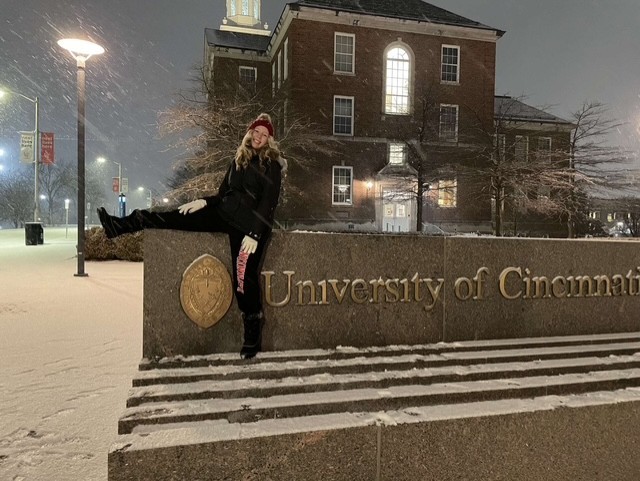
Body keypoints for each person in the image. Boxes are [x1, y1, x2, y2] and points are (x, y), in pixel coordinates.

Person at [97, 113, 287, 359]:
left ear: (269, 140)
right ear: (249, 134)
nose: (259, 137)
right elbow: (223, 193)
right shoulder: (239, 159)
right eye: (256, 132)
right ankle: (121, 225)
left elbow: (268, 203)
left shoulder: (270, 164)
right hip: (223, 213)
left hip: (248, 229)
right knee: (175, 215)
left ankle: (252, 333)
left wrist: (254, 233)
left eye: (265, 135)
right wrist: (203, 202)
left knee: (243, 278)